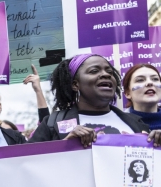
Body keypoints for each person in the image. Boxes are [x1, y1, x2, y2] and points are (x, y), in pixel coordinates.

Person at [29, 54, 161, 147]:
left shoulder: (136, 122)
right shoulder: (52, 124)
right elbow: (26, 165)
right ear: (75, 84)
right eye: (94, 71)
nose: (105, 74)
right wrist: (66, 145)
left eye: (109, 71)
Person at [122, 64, 161, 130]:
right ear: (127, 93)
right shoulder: (118, 124)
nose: (150, 83)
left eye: (155, 79)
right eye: (140, 80)